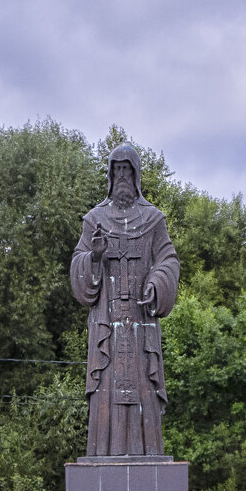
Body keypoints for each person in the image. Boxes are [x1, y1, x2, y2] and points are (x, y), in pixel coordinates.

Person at [70, 144, 180, 456]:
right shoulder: (95, 220)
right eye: (116, 169)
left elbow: (168, 259)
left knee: (143, 385)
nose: (121, 175)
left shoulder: (153, 220)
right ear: (110, 175)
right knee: (106, 387)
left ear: (135, 174)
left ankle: (148, 457)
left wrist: (157, 282)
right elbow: (78, 264)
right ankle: (103, 455)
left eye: (126, 169)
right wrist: (94, 255)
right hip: (107, 324)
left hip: (140, 322)